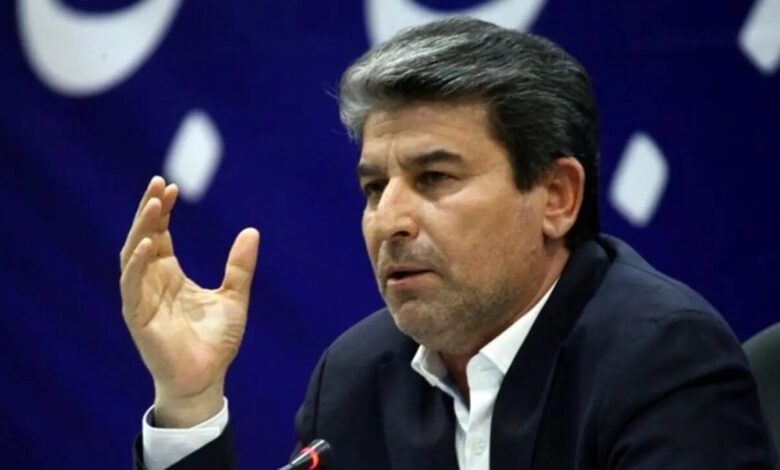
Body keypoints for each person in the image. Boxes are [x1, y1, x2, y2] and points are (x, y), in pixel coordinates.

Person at [121, 18, 777, 469]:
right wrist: (189, 401)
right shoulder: (356, 378)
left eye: (434, 178)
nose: (389, 220)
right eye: (374, 187)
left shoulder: (659, 359)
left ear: (556, 197)